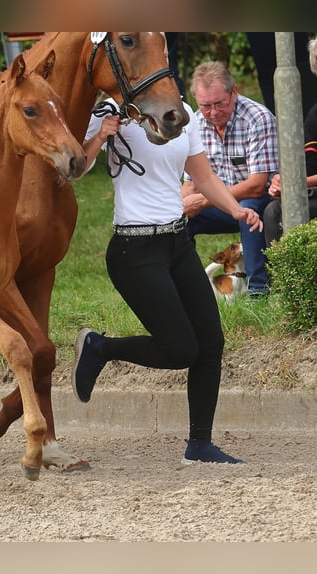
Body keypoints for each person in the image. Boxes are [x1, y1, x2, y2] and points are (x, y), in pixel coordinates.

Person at [73, 94, 263, 465]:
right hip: (134, 249)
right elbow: (75, 168)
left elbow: (203, 176)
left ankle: (199, 445)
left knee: (210, 342)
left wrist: (235, 209)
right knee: (179, 350)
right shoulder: (110, 111)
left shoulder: (182, 113)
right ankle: (100, 347)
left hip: (176, 243)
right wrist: (99, 136)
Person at [181, 61, 278, 298]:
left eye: (219, 104)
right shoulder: (195, 123)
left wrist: (203, 201)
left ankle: (258, 292)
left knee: (247, 210)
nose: (213, 113)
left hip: (261, 200)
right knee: (178, 218)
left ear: (233, 92)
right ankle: (189, 291)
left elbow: (256, 186)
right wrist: (184, 205)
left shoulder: (257, 118)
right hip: (218, 202)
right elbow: (190, 184)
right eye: (205, 106)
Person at [263, 37, 317, 247]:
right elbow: (307, 165)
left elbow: (303, 180)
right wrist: (284, 180)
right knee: (274, 212)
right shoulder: (315, 115)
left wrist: (296, 183)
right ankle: (284, 279)